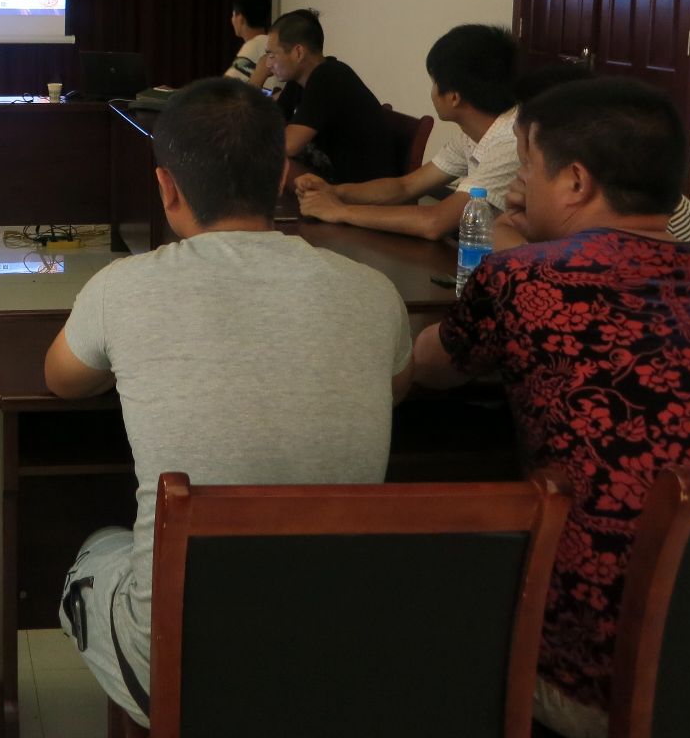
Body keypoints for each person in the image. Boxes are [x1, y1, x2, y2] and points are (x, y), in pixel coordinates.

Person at [411, 77, 690, 738]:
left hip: (590, 677)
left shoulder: (523, 277)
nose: (520, 185)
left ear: (576, 182)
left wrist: (512, 256)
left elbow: (430, 367)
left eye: (528, 168)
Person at [43, 78, 413, 726]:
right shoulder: (374, 292)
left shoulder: (121, 287)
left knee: (98, 548)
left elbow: (61, 379)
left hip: (179, 665)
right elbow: (395, 387)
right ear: (282, 179)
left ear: (167, 188)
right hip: (341, 651)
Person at [295, 23, 519, 239]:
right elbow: (405, 187)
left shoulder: (510, 141)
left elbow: (435, 222)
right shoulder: (473, 134)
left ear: (453, 97)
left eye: (434, 82)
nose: (432, 91)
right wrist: (334, 192)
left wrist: (339, 211)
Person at [491, 62, 690, 259]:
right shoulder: (635, 187)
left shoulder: (634, 215)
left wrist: (521, 239)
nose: (522, 171)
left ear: (576, 181)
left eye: (530, 158)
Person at [264, 8, 391, 182]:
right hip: (331, 178)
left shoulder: (328, 76)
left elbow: (288, 145)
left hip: (358, 187)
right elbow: (266, 121)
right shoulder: (299, 81)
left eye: (272, 55)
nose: (267, 64)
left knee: (270, 163)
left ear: (298, 52)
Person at [222, 0, 282, 95]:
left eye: (233, 15)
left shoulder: (253, 45)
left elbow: (223, 89)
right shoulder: (272, 43)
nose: (232, 19)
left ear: (240, 18)